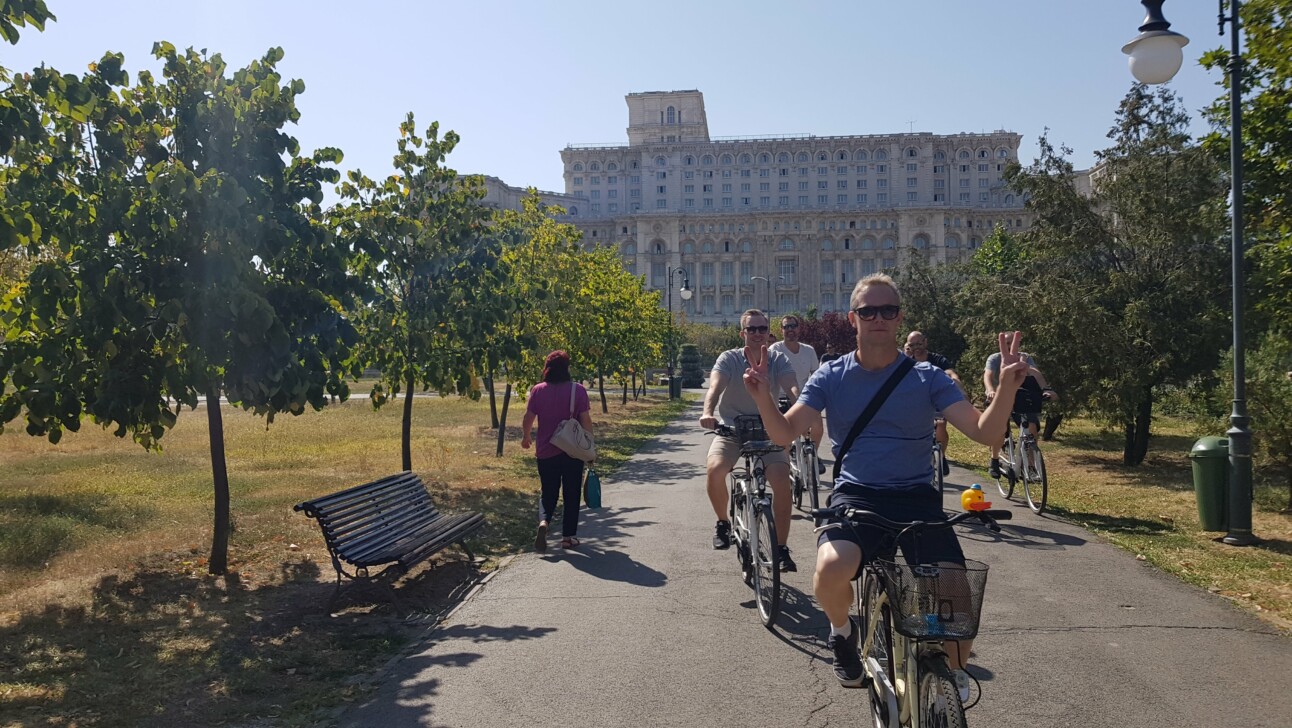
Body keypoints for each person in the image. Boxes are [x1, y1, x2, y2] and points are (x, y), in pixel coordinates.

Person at [742, 273, 1030, 700]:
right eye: (868, 311)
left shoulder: (927, 376)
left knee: (957, 618)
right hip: (857, 495)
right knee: (830, 570)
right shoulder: (830, 375)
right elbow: (784, 434)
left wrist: (1005, 389)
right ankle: (843, 632)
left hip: (915, 497)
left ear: (899, 318)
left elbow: (986, 434)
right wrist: (764, 396)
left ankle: (943, 688)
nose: (878, 318)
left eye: (888, 310)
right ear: (854, 319)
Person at [700, 309, 802, 571]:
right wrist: (708, 412)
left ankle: (780, 548)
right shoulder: (729, 359)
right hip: (732, 431)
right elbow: (715, 387)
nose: (757, 334)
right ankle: (723, 522)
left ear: (769, 333)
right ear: (742, 333)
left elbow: (792, 387)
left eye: (762, 329)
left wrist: (799, 410)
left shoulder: (778, 359)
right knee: (715, 470)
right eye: (751, 329)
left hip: (769, 430)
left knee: (782, 483)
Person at [521, 351, 594, 551]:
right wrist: (590, 446)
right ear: (567, 368)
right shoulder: (577, 390)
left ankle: (544, 522)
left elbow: (528, 417)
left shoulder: (538, 390)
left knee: (548, 492)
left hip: (545, 451)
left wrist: (526, 437)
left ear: (547, 368)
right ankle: (568, 538)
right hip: (572, 451)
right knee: (571, 493)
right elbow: (585, 420)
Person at [982, 333, 1059, 479]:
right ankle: (994, 459)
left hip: (1021, 395)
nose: (1010, 346)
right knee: (1000, 427)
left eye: (1012, 342)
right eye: (1006, 343)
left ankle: (1029, 466)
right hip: (1001, 394)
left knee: (1032, 426)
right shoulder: (995, 358)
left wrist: (1046, 389)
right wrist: (990, 390)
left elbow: (1035, 373)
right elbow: (988, 375)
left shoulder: (1024, 357)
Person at [770, 314, 826, 474]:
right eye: (786, 327)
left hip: (803, 398)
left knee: (817, 425)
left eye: (793, 326)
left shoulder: (808, 351)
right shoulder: (775, 350)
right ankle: (786, 468)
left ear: (799, 328)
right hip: (781, 398)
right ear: (781, 330)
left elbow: (816, 376)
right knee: (784, 439)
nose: (790, 330)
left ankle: (811, 454)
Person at [903, 331, 964, 477]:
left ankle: (940, 456)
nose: (916, 347)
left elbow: (950, 372)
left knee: (941, 424)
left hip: (936, 399)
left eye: (919, 343)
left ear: (925, 342)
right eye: (912, 345)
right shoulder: (905, 361)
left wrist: (958, 386)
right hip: (915, 401)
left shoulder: (937, 359)